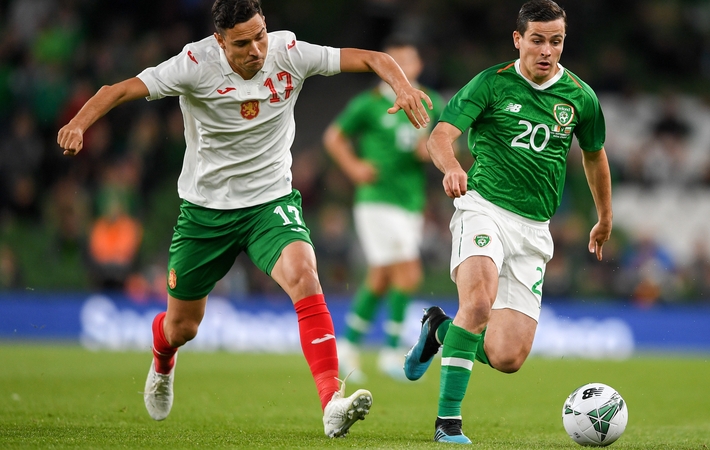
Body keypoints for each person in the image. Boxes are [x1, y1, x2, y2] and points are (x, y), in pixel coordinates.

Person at [56, 0, 432, 439]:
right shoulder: (194, 63)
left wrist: (402, 86)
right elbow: (116, 90)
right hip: (205, 213)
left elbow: (374, 57)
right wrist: (78, 124)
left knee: (304, 275)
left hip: (269, 204)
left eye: (260, 35)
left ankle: (331, 401)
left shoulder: (288, 51)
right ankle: (162, 358)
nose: (256, 49)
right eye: (242, 42)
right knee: (183, 328)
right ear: (220, 42)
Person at [403, 0, 612, 443]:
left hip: (535, 229)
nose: (547, 50)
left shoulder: (580, 97)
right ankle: (448, 423)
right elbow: (440, 136)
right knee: (477, 304)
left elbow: (594, 156)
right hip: (484, 209)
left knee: (507, 356)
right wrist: (452, 168)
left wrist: (604, 216)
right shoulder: (490, 85)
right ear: (518, 39)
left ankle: (439, 330)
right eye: (537, 40)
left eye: (556, 41)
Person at [322, 38, 444, 383]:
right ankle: (392, 350)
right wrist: (354, 168)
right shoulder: (369, 103)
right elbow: (334, 137)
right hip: (376, 200)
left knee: (380, 277)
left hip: (410, 202)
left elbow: (446, 141)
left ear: (418, 66)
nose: (404, 67)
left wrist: (431, 152)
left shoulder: (430, 102)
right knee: (408, 273)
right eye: (397, 61)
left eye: (409, 61)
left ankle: (348, 346)